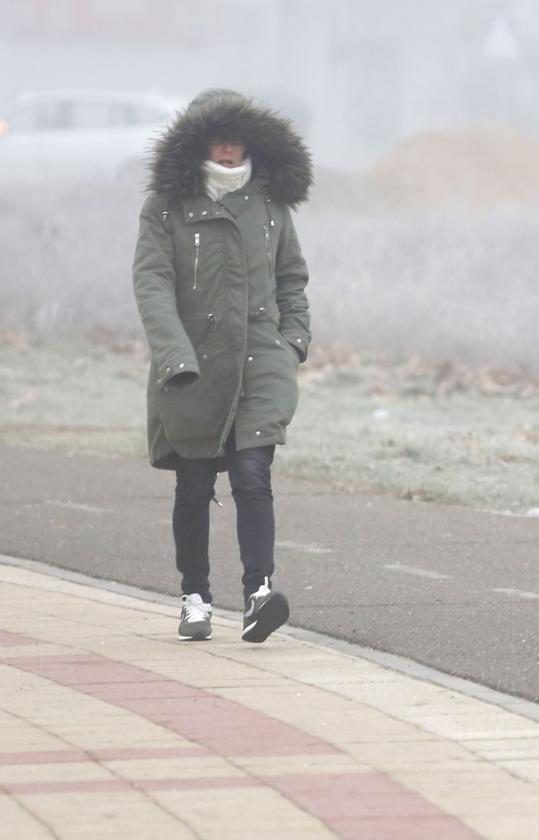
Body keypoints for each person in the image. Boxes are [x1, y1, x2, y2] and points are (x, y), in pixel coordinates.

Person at [132, 89, 312, 643]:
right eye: (218, 138)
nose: (229, 149)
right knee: (192, 485)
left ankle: (260, 594)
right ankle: (196, 598)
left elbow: (292, 278)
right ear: (197, 143)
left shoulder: (270, 204)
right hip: (191, 365)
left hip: (262, 360)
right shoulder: (165, 208)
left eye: (238, 139)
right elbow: (152, 283)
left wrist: (294, 340)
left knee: (254, 475)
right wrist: (174, 354)